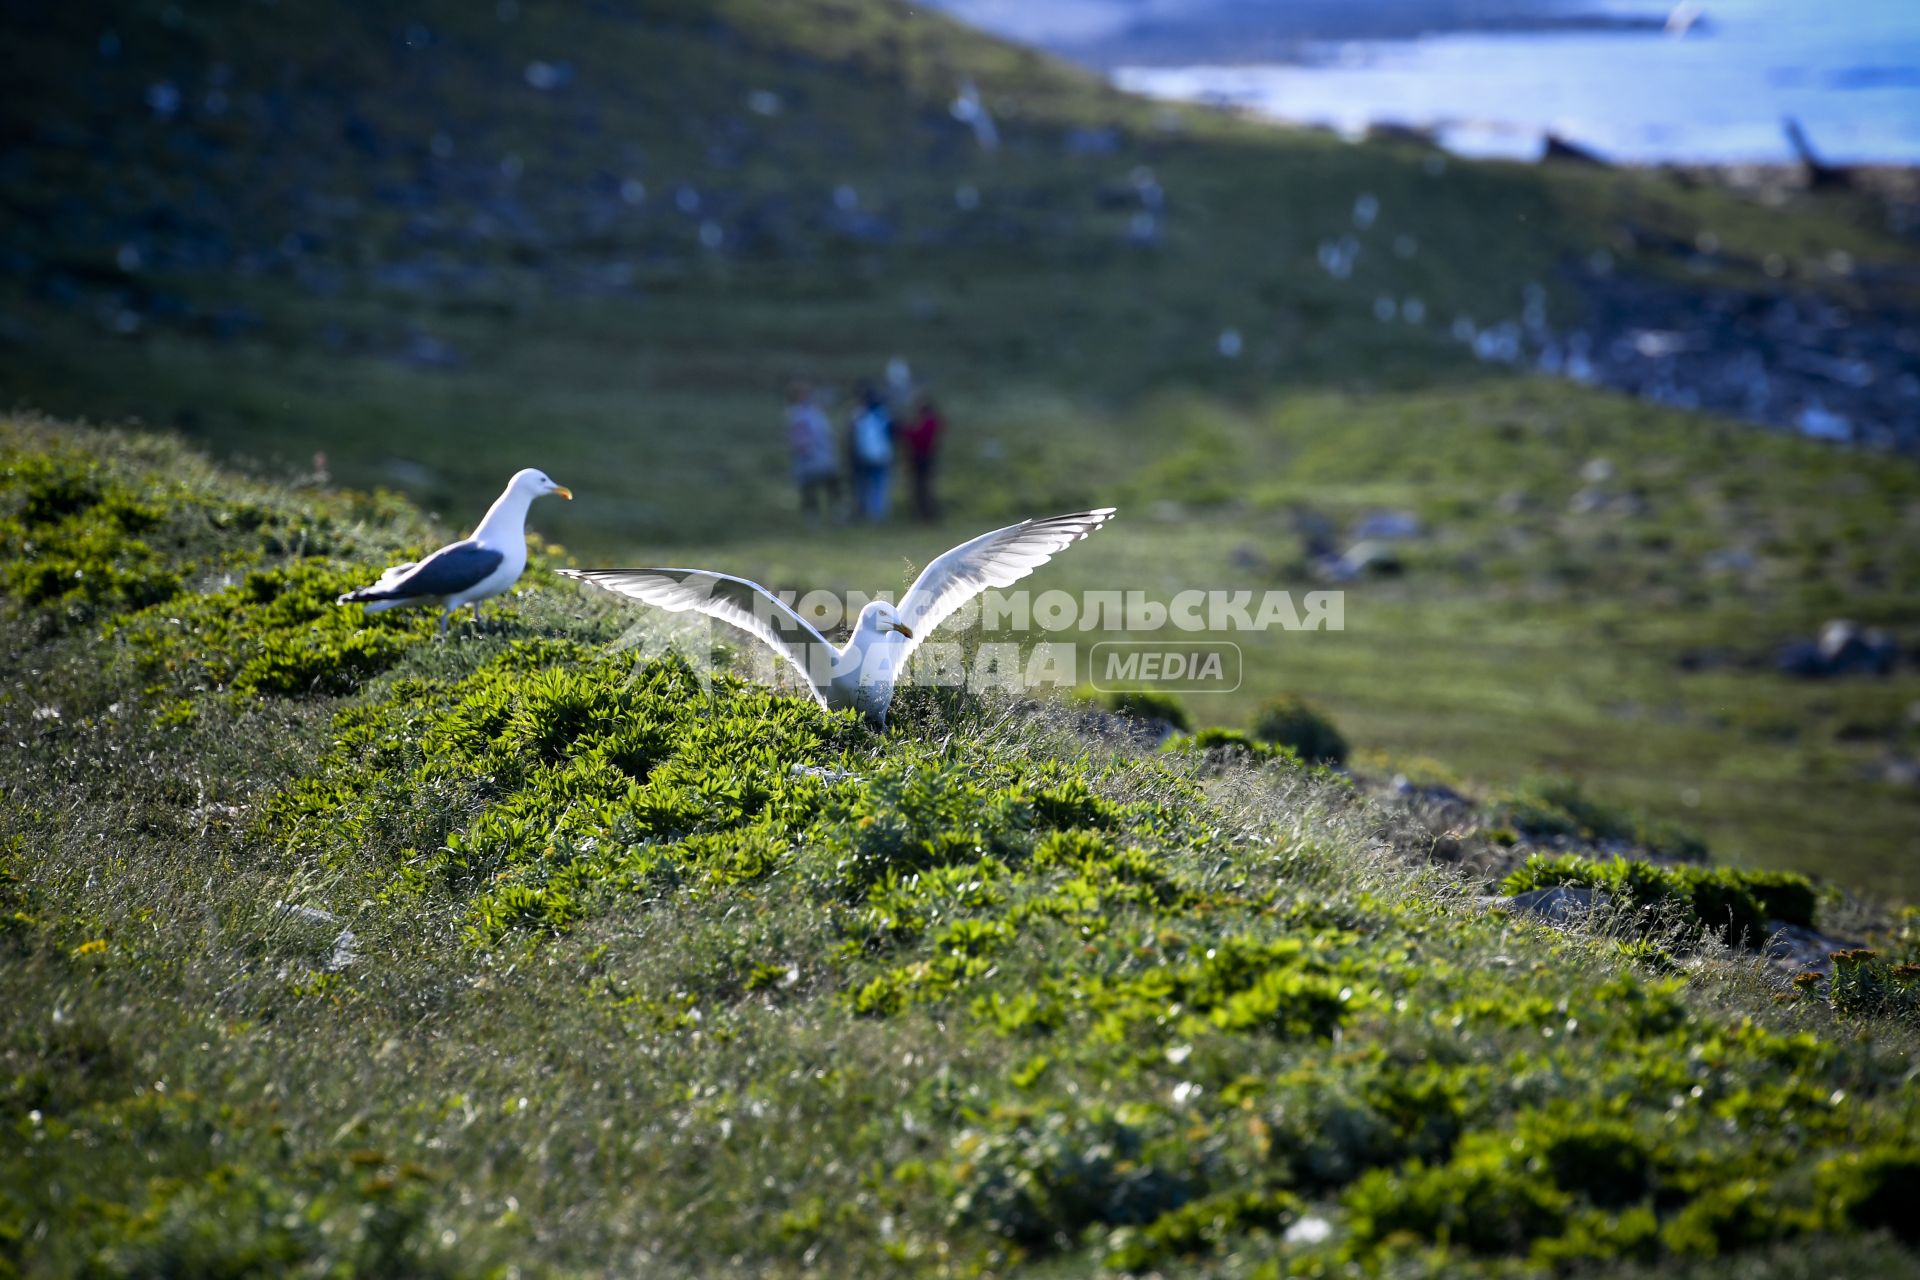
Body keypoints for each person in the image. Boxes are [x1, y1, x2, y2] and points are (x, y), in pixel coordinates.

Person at [785, 381, 839, 523]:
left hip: (816, 459)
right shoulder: (798, 414)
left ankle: (831, 514)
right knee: (811, 490)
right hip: (812, 459)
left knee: (827, 487)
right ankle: (814, 517)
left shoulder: (803, 413)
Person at [849, 384, 895, 521]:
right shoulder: (883, 414)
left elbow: (852, 437)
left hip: (864, 457)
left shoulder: (859, 415)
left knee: (864, 487)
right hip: (882, 456)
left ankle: (866, 514)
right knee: (879, 487)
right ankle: (878, 516)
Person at [903, 394, 943, 521]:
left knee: (922, 488)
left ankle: (927, 515)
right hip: (926, 458)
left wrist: (906, 431)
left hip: (922, 459)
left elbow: (919, 438)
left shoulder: (928, 422)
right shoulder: (932, 421)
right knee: (924, 488)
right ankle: (927, 515)